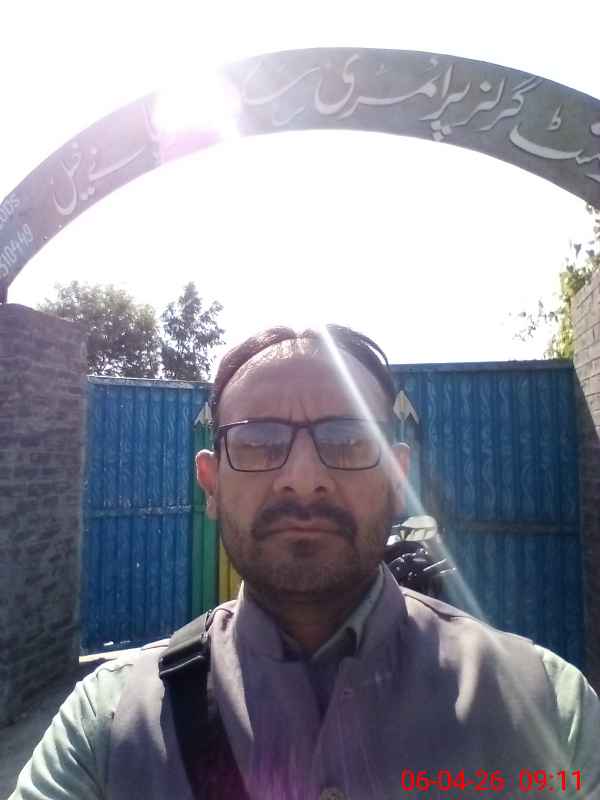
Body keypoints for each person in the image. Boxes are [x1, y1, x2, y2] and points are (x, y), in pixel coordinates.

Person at [9, 324, 600, 800]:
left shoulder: (550, 710)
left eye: (347, 440)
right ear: (211, 485)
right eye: (258, 442)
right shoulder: (108, 723)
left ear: (396, 479)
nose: (302, 478)